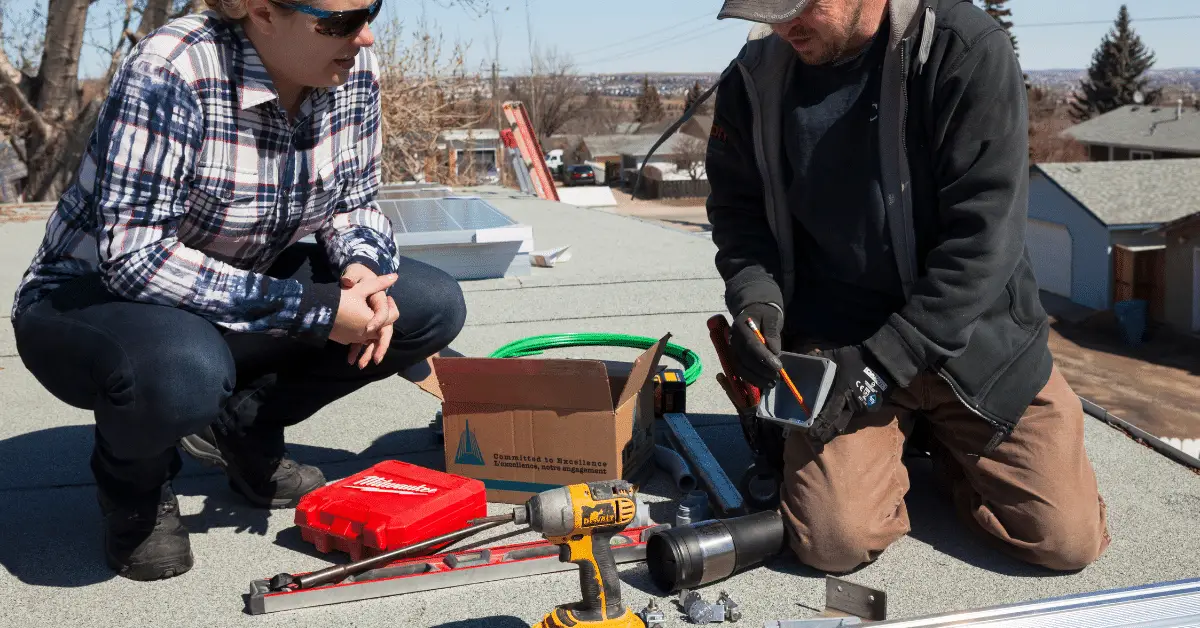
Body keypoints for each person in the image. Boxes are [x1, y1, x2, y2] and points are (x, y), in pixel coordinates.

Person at [9, 0, 466, 582]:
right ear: (261, 13)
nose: (366, 37)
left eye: (370, 10)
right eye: (341, 21)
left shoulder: (346, 68)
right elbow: (135, 258)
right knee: (181, 371)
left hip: (235, 284)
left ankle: (244, 427)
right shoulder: (173, 68)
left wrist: (360, 272)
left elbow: (354, 204)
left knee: (429, 306)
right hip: (95, 298)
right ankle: (134, 491)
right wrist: (313, 309)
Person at [706, 0, 1111, 573]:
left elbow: (982, 243)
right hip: (840, 343)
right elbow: (737, 212)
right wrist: (756, 299)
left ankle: (942, 445)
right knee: (833, 541)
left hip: (976, 343)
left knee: (1064, 542)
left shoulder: (963, 51)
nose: (784, 27)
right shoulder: (756, 77)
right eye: (769, 11)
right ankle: (902, 442)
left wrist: (881, 366)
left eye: (801, 7)